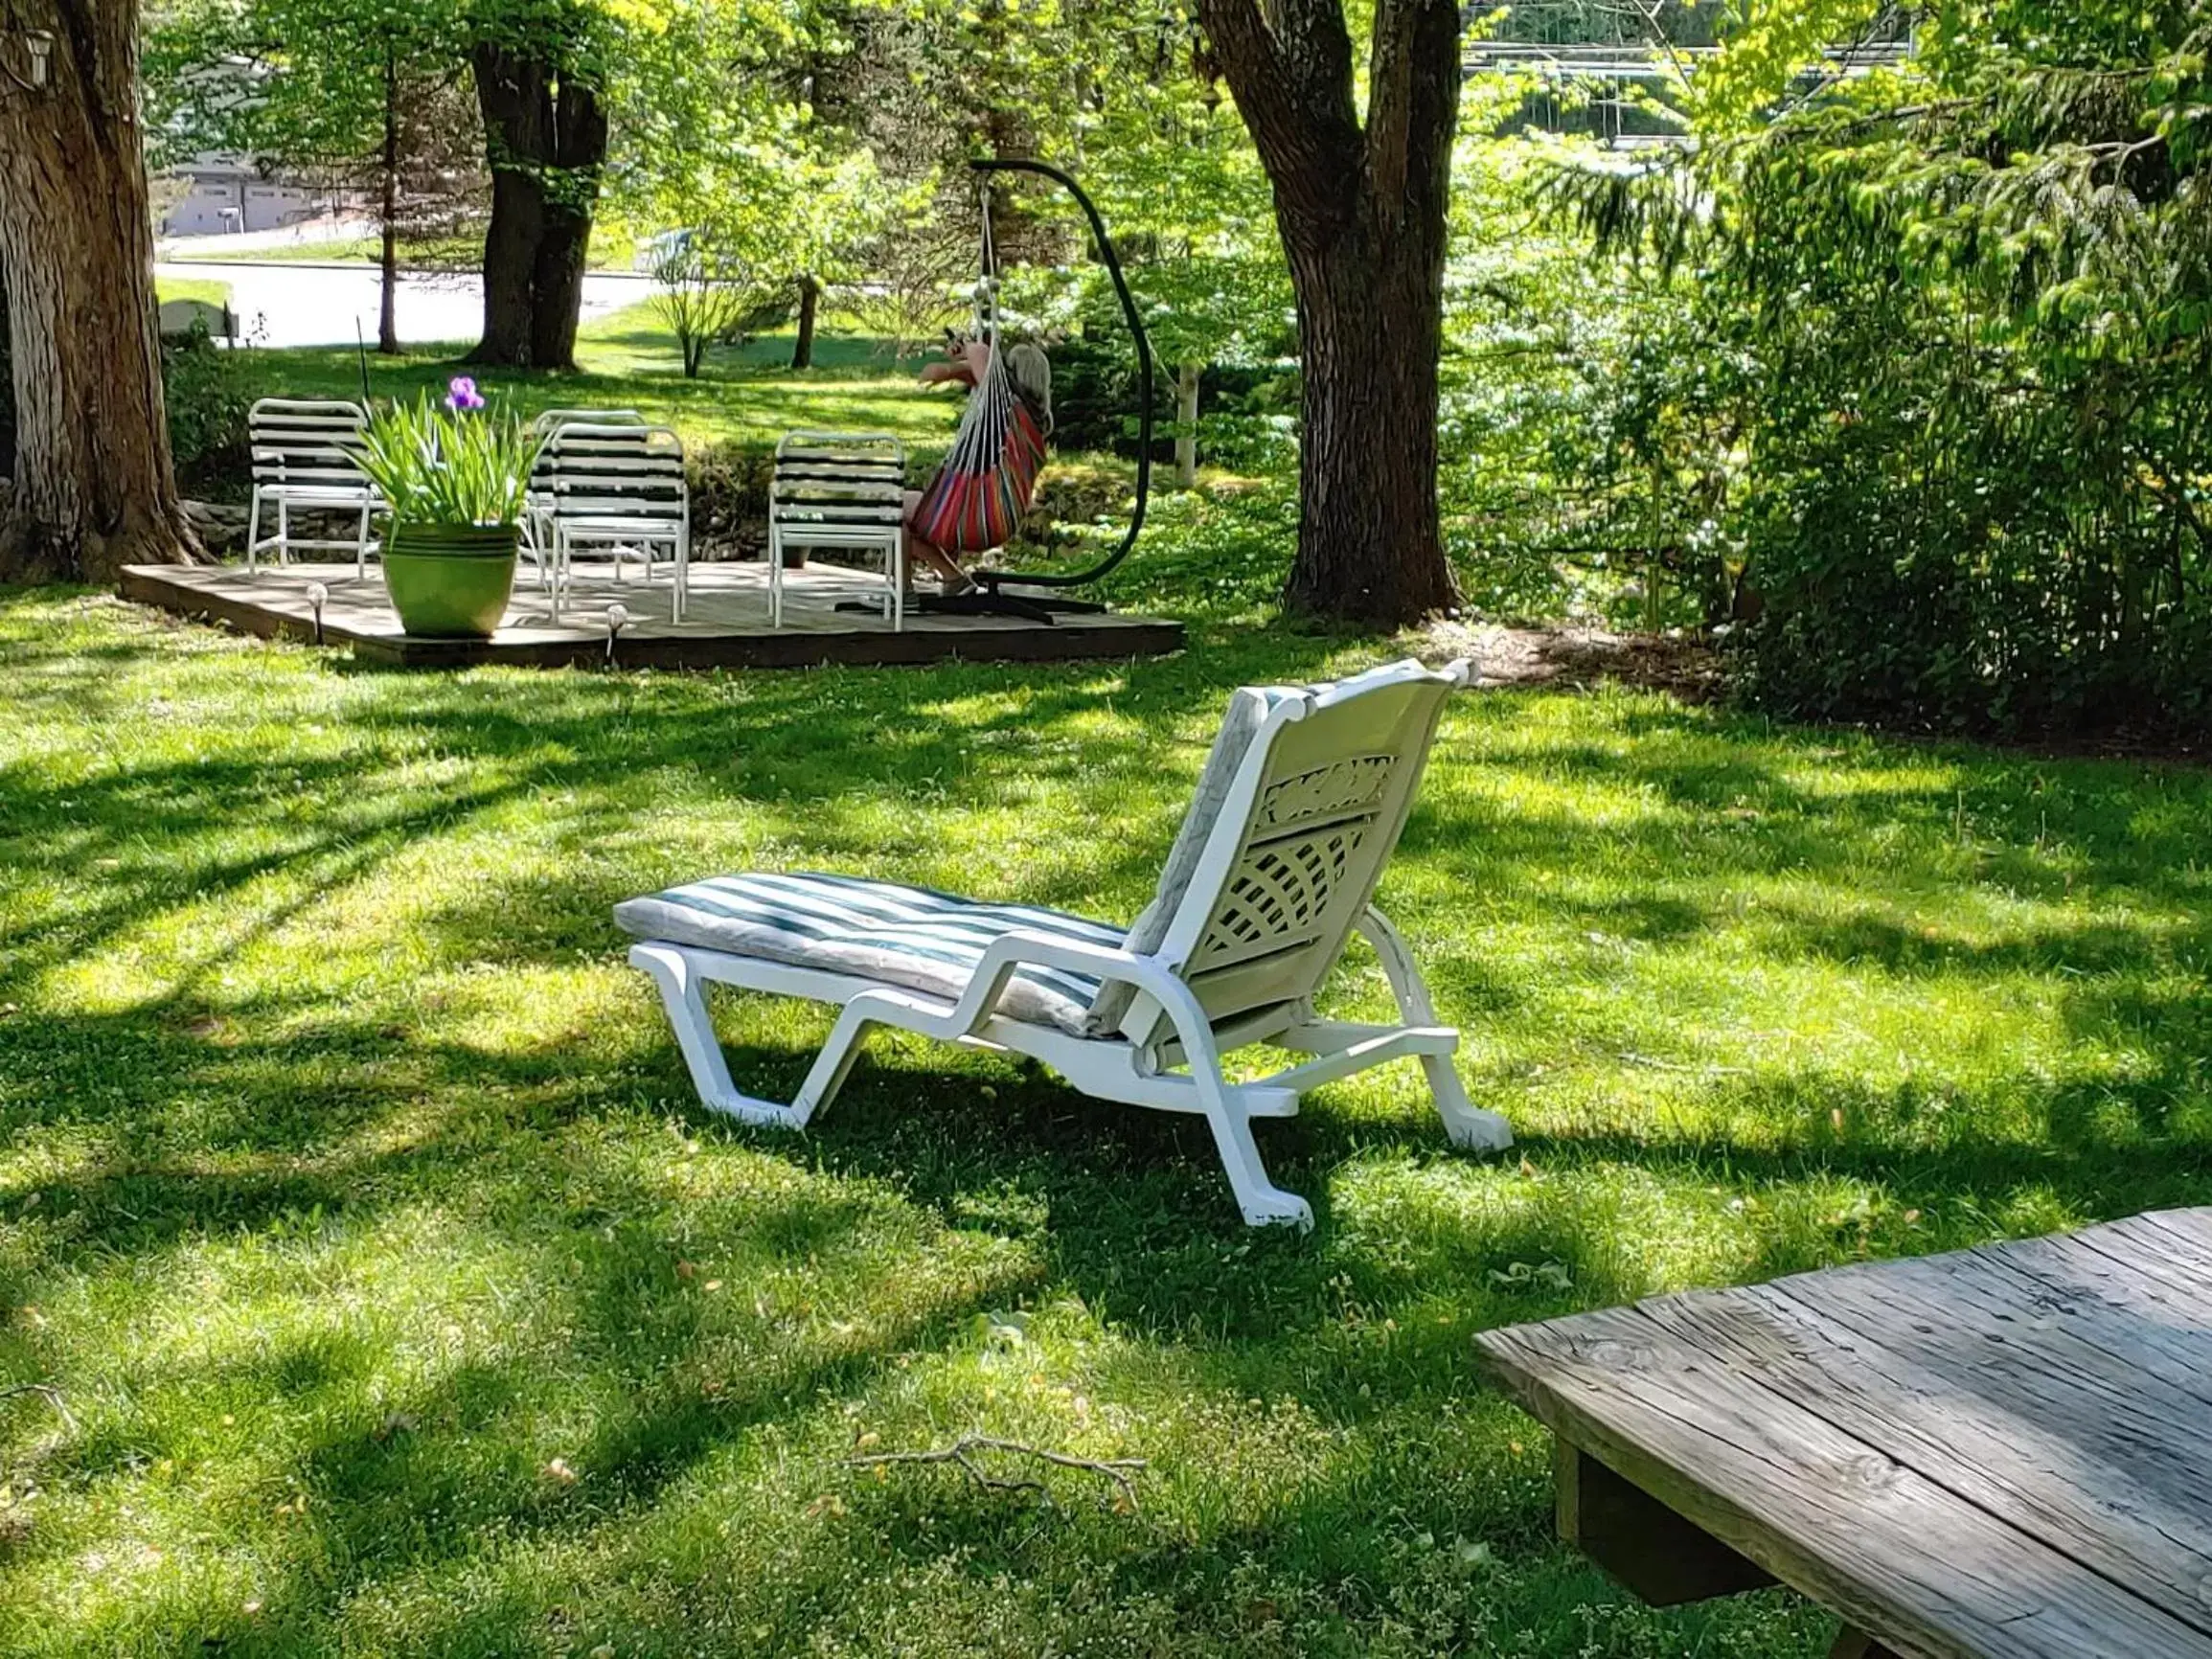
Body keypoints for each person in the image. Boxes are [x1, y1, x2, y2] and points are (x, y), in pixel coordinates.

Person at [902, 332, 1053, 593]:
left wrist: (967, 346)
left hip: (975, 517)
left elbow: (980, 353)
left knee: (889, 507)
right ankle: (951, 579)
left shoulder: (1009, 408)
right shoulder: (1032, 422)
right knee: (900, 509)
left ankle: (907, 592)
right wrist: (955, 367)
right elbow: (947, 372)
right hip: (998, 519)